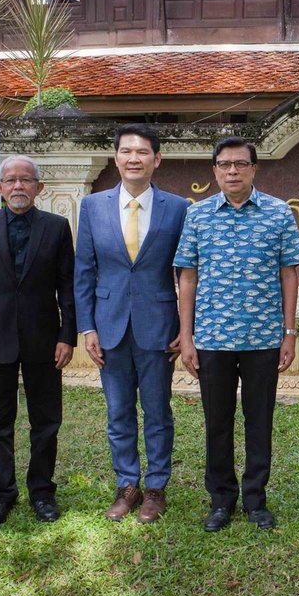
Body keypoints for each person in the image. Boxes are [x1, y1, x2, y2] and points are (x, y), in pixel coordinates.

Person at [175, 136, 299, 533]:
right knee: (217, 421)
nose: (232, 171)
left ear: (254, 168)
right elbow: (188, 276)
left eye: (240, 164)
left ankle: (255, 499)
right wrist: (186, 335)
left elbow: (289, 274)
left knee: (259, 419)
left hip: (263, 339)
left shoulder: (278, 213)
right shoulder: (197, 216)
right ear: (214, 170)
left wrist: (288, 333)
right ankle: (221, 500)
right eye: (225, 164)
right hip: (212, 338)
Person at [75, 124, 190, 524]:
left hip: (159, 324)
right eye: (126, 151)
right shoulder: (92, 206)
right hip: (108, 327)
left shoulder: (178, 208)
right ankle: (127, 485)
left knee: (158, 410)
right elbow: (85, 270)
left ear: (157, 159)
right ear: (116, 157)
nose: (134, 158)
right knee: (118, 411)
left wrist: (184, 327)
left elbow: (187, 272)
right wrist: (87, 328)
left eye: (143, 152)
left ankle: (156, 488)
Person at [0, 155, 76, 526]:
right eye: (11, 180)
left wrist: (67, 335)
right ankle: (1, 493)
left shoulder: (56, 227)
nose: (19, 186)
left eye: (26, 180)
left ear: (39, 187)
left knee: (46, 422)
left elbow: (67, 287)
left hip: (44, 339)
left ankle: (42, 492)